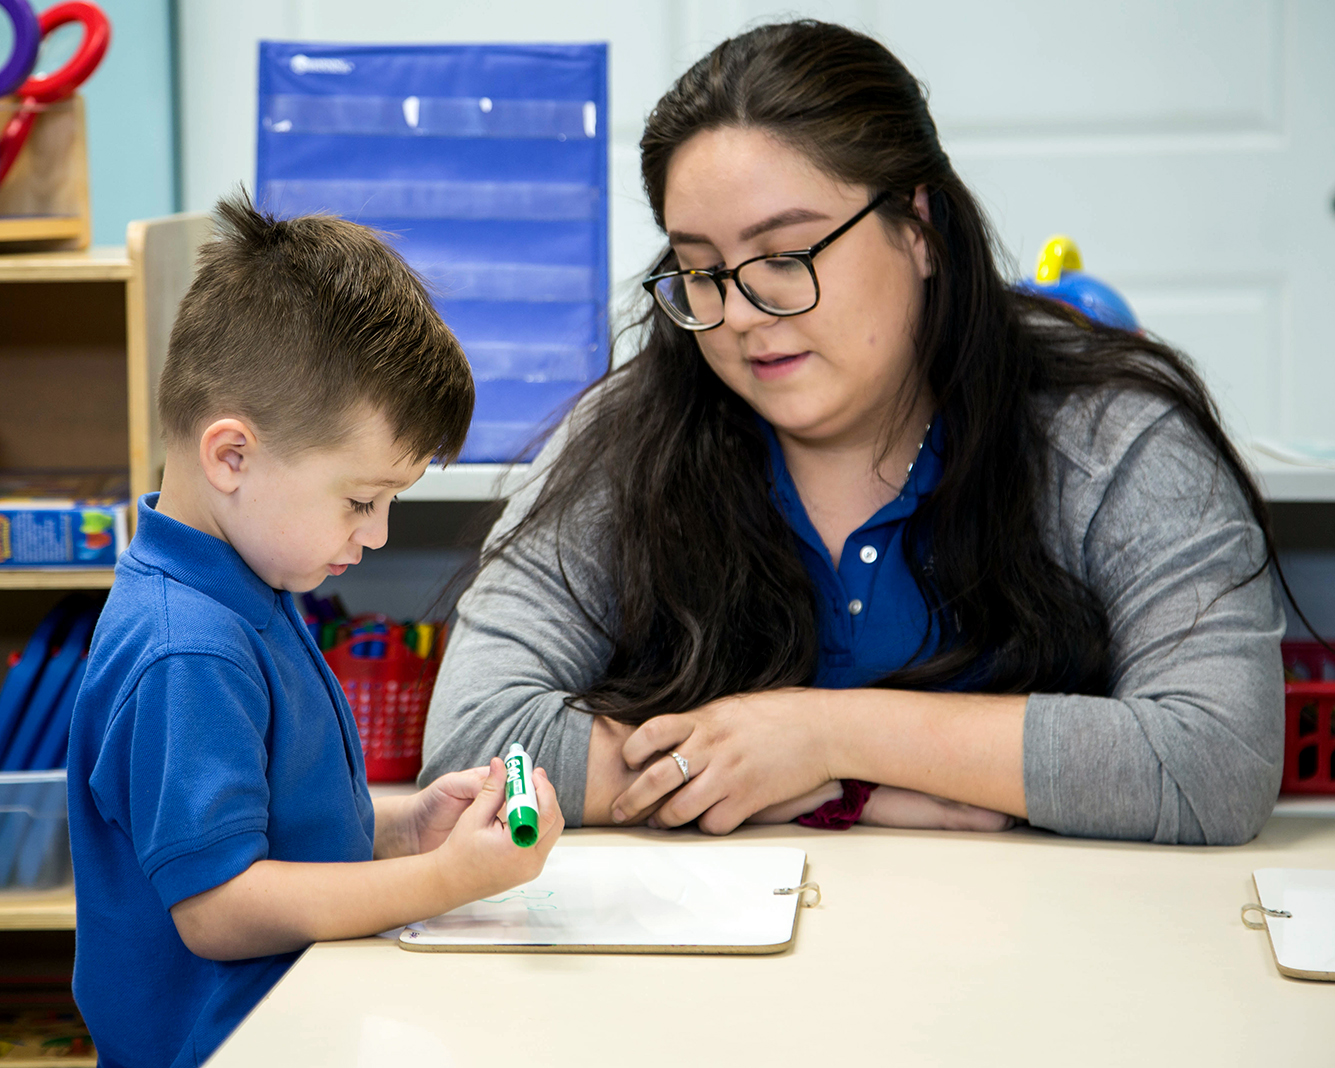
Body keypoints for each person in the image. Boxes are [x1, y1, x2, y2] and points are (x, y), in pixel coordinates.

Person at [419, 20, 1284, 846]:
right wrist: (850, 796)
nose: (744, 316)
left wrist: (823, 735)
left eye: (787, 255)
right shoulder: (630, 439)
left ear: (918, 227)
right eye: (701, 270)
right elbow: (473, 743)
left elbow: (1213, 759)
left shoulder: (1107, 440)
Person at [66, 194, 563, 1068]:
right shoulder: (190, 648)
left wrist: (399, 828)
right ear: (232, 457)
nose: (374, 534)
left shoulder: (250, 586)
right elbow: (219, 908)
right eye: (360, 501)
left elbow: (270, 830)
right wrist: (443, 880)